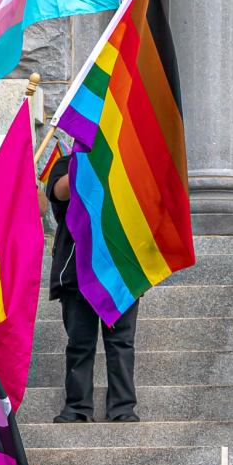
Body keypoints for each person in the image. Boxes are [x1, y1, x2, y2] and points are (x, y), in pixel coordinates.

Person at [45, 154, 140, 423]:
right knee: (79, 344)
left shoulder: (125, 164)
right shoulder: (67, 163)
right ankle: (77, 407)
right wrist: (86, 162)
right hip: (77, 275)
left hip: (119, 273)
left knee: (121, 343)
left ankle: (122, 408)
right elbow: (58, 192)